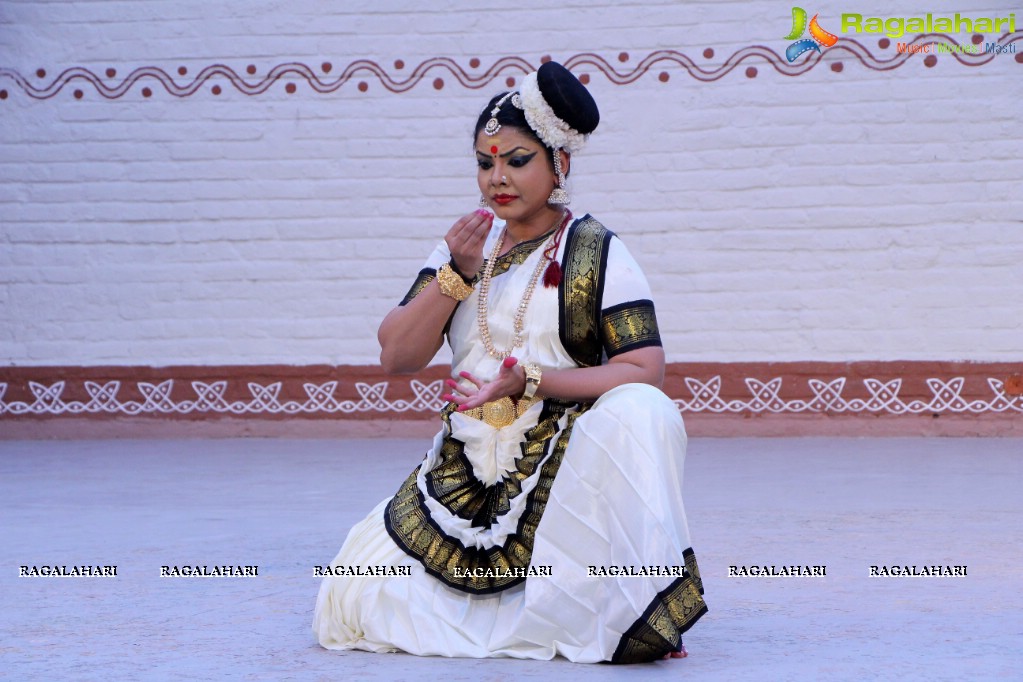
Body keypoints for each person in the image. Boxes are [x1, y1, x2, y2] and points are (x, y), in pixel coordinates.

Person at [313, 61, 707, 664]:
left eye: (516, 160)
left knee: (642, 410)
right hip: (464, 466)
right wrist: (454, 277)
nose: (497, 177)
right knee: (355, 597)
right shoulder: (465, 247)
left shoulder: (595, 249)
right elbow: (396, 355)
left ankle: (628, 595)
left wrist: (535, 380)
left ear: (560, 165)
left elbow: (643, 368)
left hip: (563, 460)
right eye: (484, 161)